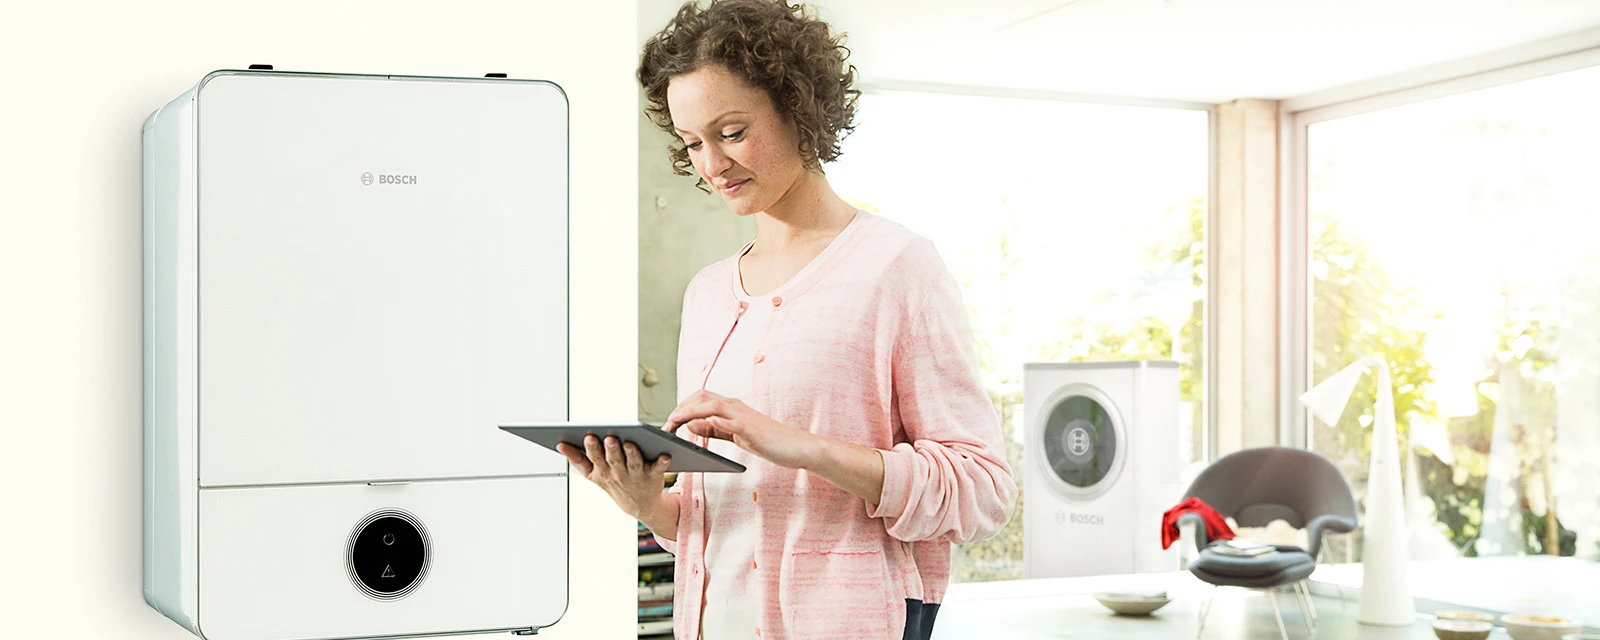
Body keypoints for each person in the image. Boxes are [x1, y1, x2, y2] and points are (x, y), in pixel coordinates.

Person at [556, 1, 1016, 638]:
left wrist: (803, 447)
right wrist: (644, 503)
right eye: (693, 143)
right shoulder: (708, 293)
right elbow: (717, 524)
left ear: (799, 109)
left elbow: (983, 490)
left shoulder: (897, 267)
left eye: (733, 131)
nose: (712, 164)